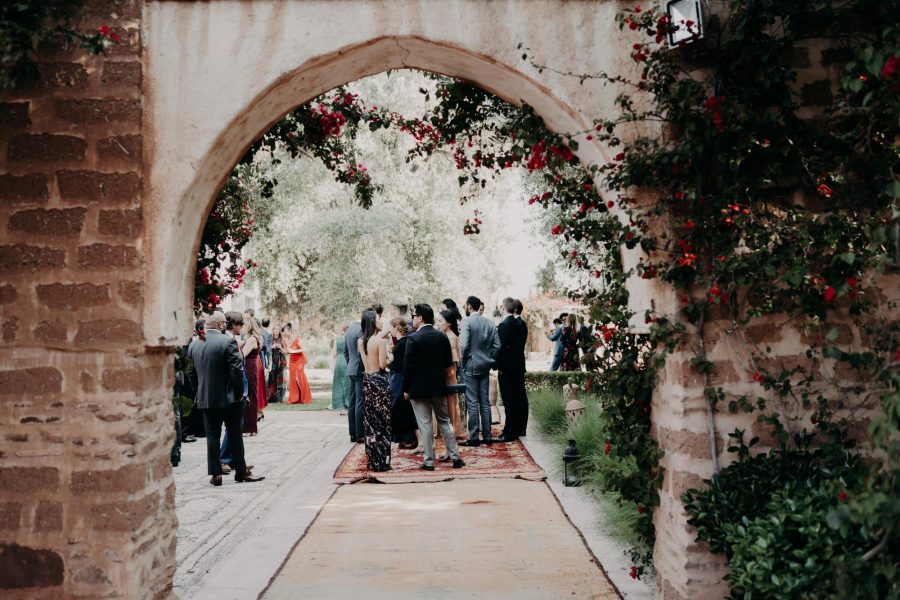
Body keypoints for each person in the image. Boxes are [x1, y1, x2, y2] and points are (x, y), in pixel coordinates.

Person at [187, 312, 263, 486]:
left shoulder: (194, 344)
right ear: (221, 325)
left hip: (206, 398)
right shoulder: (227, 342)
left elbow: (191, 373)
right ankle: (241, 472)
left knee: (212, 436)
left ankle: (216, 475)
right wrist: (239, 394)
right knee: (235, 434)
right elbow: (236, 371)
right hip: (230, 400)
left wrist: (199, 392)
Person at [403, 303, 465, 471]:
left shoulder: (413, 338)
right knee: (445, 422)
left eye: (414, 316)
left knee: (425, 424)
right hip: (438, 387)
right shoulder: (441, 337)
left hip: (418, 389)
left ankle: (429, 461)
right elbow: (447, 364)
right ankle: (455, 456)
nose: (412, 319)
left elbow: (408, 367)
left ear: (421, 318)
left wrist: (406, 388)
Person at [459, 296, 500, 447]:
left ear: (469, 307)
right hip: (485, 364)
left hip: (471, 364)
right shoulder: (490, 323)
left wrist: (464, 361)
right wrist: (490, 359)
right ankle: (488, 436)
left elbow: (463, 345)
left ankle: (474, 437)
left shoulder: (467, 321)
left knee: (472, 401)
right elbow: (498, 346)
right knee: (485, 401)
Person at [358, 308, 392, 472]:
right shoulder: (380, 341)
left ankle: (372, 460)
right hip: (379, 381)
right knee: (383, 422)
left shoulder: (360, 341)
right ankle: (383, 460)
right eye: (379, 319)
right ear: (373, 322)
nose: (381, 322)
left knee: (371, 422)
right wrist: (390, 357)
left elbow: (366, 365)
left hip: (368, 381)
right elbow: (382, 365)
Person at [495, 297, 525, 443]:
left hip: (507, 369)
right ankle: (513, 429)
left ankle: (509, 432)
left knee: (508, 400)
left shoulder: (504, 325)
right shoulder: (519, 324)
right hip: (518, 367)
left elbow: (501, 349)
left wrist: (498, 366)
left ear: (503, 307)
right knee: (515, 399)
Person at [387, 317, 418, 449]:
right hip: (401, 378)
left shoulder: (400, 345)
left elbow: (399, 365)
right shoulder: (406, 342)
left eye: (391, 327)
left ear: (396, 328)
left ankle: (407, 439)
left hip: (399, 379)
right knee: (403, 407)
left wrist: (389, 360)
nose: (390, 331)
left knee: (399, 408)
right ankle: (405, 438)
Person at [435, 308, 465, 443]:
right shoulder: (444, 335)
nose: (438, 323)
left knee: (450, 402)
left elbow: (452, 362)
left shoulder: (451, 337)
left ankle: (453, 429)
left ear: (449, 324)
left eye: (441, 321)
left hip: (448, 375)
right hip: (444, 374)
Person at [344, 315, 364, 442]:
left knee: (352, 401)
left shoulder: (349, 329)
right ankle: (360, 434)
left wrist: (350, 364)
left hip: (351, 367)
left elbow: (346, 352)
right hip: (359, 369)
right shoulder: (361, 330)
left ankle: (352, 433)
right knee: (360, 400)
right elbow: (360, 353)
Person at [513, 299, 530, 437]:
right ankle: (520, 427)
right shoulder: (521, 323)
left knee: (519, 396)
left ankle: (520, 427)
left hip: (516, 364)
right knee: (519, 395)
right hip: (519, 363)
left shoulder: (518, 324)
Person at [286, 325, 312, 404]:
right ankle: (295, 398)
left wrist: (293, 351)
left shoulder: (297, 339)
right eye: (284, 331)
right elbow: (288, 351)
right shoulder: (286, 340)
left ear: (290, 331)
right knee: (293, 378)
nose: (285, 332)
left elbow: (304, 349)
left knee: (300, 377)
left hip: (300, 359)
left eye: (286, 330)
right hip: (292, 360)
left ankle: (305, 397)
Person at [331, 323, 350, 411]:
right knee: (347, 383)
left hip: (339, 361)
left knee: (338, 383)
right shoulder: (350, 338)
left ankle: (339, 404)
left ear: (342, 329)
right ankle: (348, 403)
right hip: (347, 361)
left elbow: (334, 353)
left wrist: (332, 364)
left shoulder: (337, 338)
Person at [267, 325, 286, 404]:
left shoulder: (282, 340)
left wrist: (280, 348)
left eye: (278, 329)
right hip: (272, 361)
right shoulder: (269, 338)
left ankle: (280, 398)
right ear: (273, 329)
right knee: (272, 379)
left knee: (280, 380)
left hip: (281, 361)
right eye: (275, 328)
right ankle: (271, 397)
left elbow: (286, 351)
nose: (277, 330)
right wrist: (273, 346)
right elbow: (266, 349)